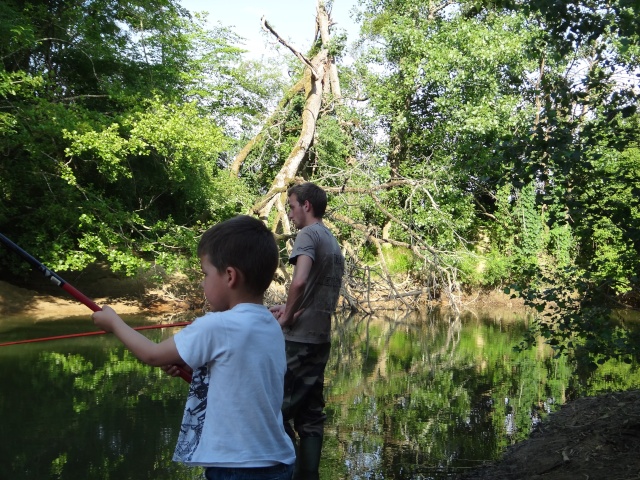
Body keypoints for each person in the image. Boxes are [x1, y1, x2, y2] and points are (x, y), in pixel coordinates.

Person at [92, 215, 296, 480]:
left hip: (235, 466)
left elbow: (152, 355)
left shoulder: (217, 325)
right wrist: (193, 366)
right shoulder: (271, 324)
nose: (202, 282)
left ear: (230, 276)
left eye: (205, 274)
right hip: (278, 461)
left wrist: (114, 323)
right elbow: (241, 380)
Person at [269, 183, 345, 480]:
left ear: (307, 206)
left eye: (292, 206)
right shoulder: (331, 239)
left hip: (298, 341)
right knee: (311, 413)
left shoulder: (307, 235)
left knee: (274, 410)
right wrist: (286, 308)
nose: (290, 213)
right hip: (320, 338)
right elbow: (313, 292)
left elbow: (299, 282)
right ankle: (308, 474)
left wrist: (286, 315)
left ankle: (281, 472)